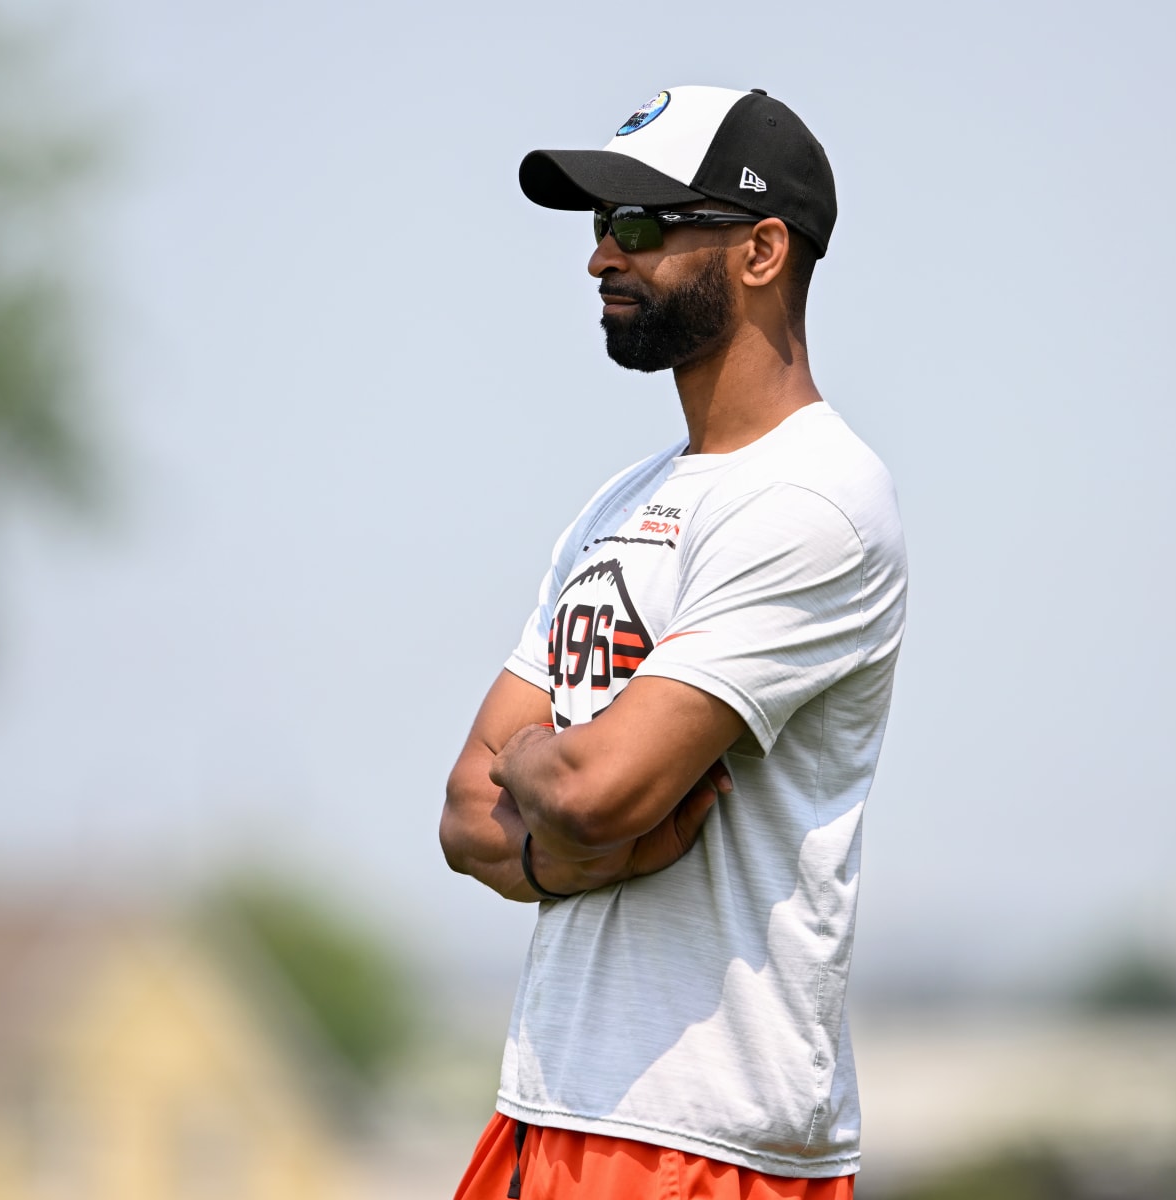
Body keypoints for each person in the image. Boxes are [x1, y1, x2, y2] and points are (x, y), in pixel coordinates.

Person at [438, 86, 908, 1199]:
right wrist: (565, 848)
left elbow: (598, 785)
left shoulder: (820, 500)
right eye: (598, 225)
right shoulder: (617, 501)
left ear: (760, 250)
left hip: (704, 1144)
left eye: (642, 224)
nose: (602, 255)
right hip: (542, 1113)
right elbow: (465, 814)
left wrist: (551, 773)